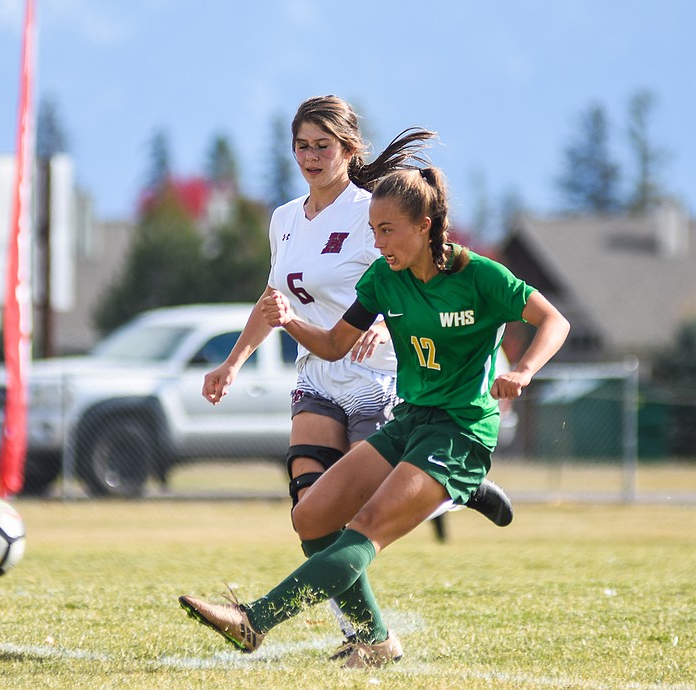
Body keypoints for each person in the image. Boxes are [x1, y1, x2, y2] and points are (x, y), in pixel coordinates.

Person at [180, 164, 570, 668]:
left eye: (387, 230)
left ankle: (254, 621)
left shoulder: (479, 276)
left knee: (364, 528)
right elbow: (334, 344)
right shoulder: (385, 278)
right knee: (312, 516)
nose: (379, 241)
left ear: (425, 224)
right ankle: (377, 640)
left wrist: (523, 370)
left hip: (460, 434)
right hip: (410, 422)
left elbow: (553, 320)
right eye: (373, 231)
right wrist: (290, 320)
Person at [199, 96, 512, 648]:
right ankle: (370, 637)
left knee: (365, 513)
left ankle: (451, 487)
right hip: (318, 370)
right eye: (302, 146)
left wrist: (386, 330)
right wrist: (232, 361)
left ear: (348, 150)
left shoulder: (375, 211)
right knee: (311, 511)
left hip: (380, 375)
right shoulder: (285, 219)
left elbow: (413, 282)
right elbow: (274, 300)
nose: (312, 156)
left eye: (324, 145)